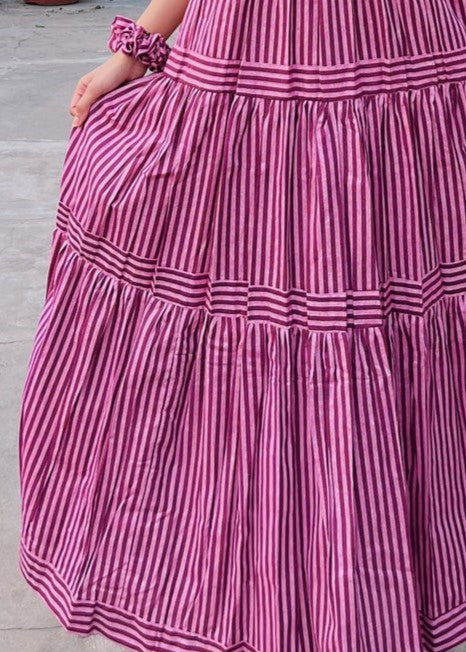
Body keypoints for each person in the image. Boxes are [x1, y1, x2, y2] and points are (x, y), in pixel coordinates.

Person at [18, 1, 466, 651]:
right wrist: (136, 48)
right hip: (258, 58)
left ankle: (359, 586)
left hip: (393, 62)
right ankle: (292, 590)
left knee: (378, 300)